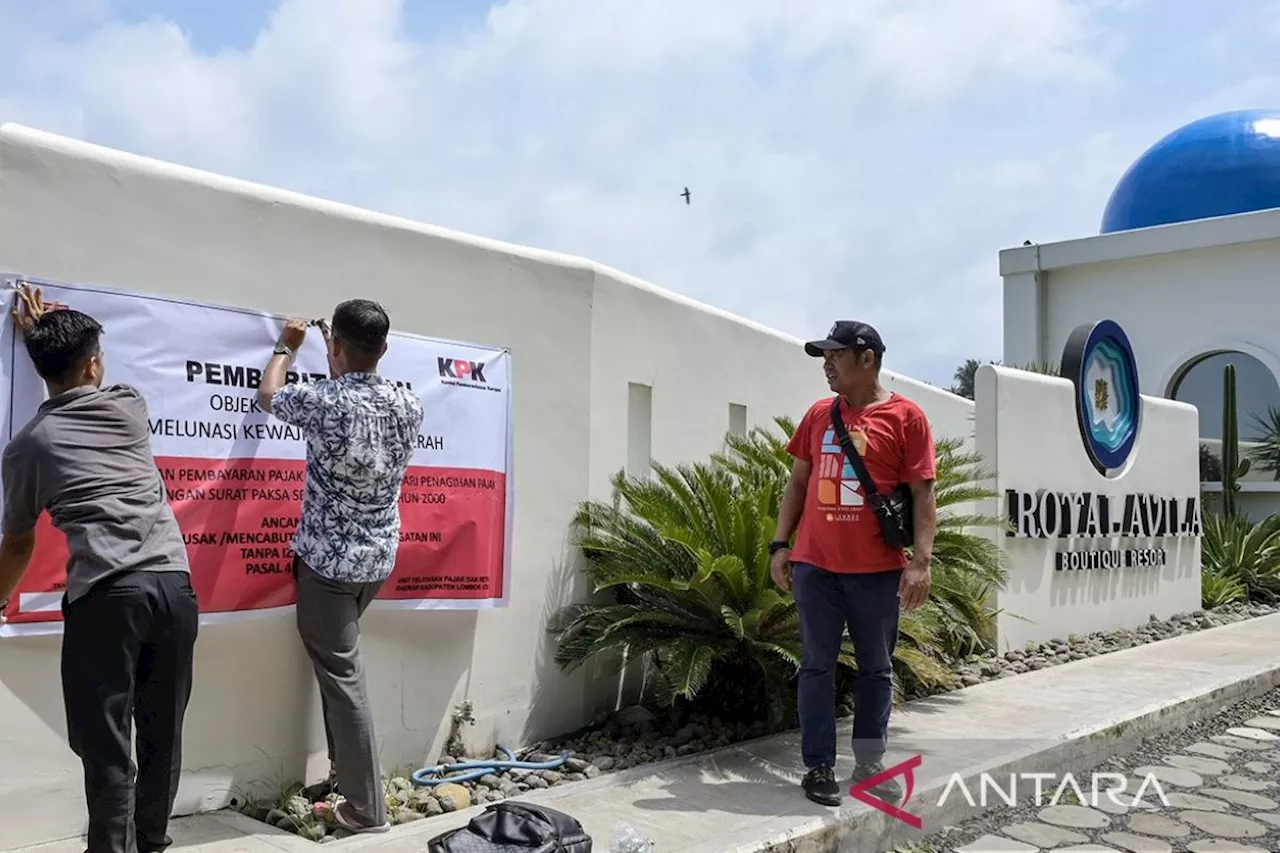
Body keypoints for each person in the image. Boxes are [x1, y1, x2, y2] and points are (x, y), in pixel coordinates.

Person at [0, 284, 199, 853]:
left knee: (108, 745)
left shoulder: (28, 446)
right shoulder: (129, 406)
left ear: (42, 369)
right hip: (175, 588)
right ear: (94, 364)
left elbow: (17, 544)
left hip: (107, 598)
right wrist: (48, 329)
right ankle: (152, 845)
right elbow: (87, 373)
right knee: (163, 736)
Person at [257, 299, 423, 834]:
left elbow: (269, 395)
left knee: (344, 680)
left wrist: (286, 346)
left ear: (335, 347)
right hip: (376, 561)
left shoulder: (323, 400)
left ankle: (366, 809)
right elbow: (356, 393)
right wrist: (337, 356)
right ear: (385, 349)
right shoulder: (406, 401)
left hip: (327, 567)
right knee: (340, 675)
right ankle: (344, 777)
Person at [768, 320, 937, 808]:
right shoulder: (820, 415)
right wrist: (781, 545)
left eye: (835, 356)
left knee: (876, 670)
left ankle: (868, 764)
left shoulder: (907, 418)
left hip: (877, 570)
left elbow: (923, 495)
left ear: (867, 360)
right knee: (816, 666)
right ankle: (819, 766)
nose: (827, 365)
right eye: (824, 357)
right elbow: (798, 482)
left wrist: (920, 562)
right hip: (816, 568)